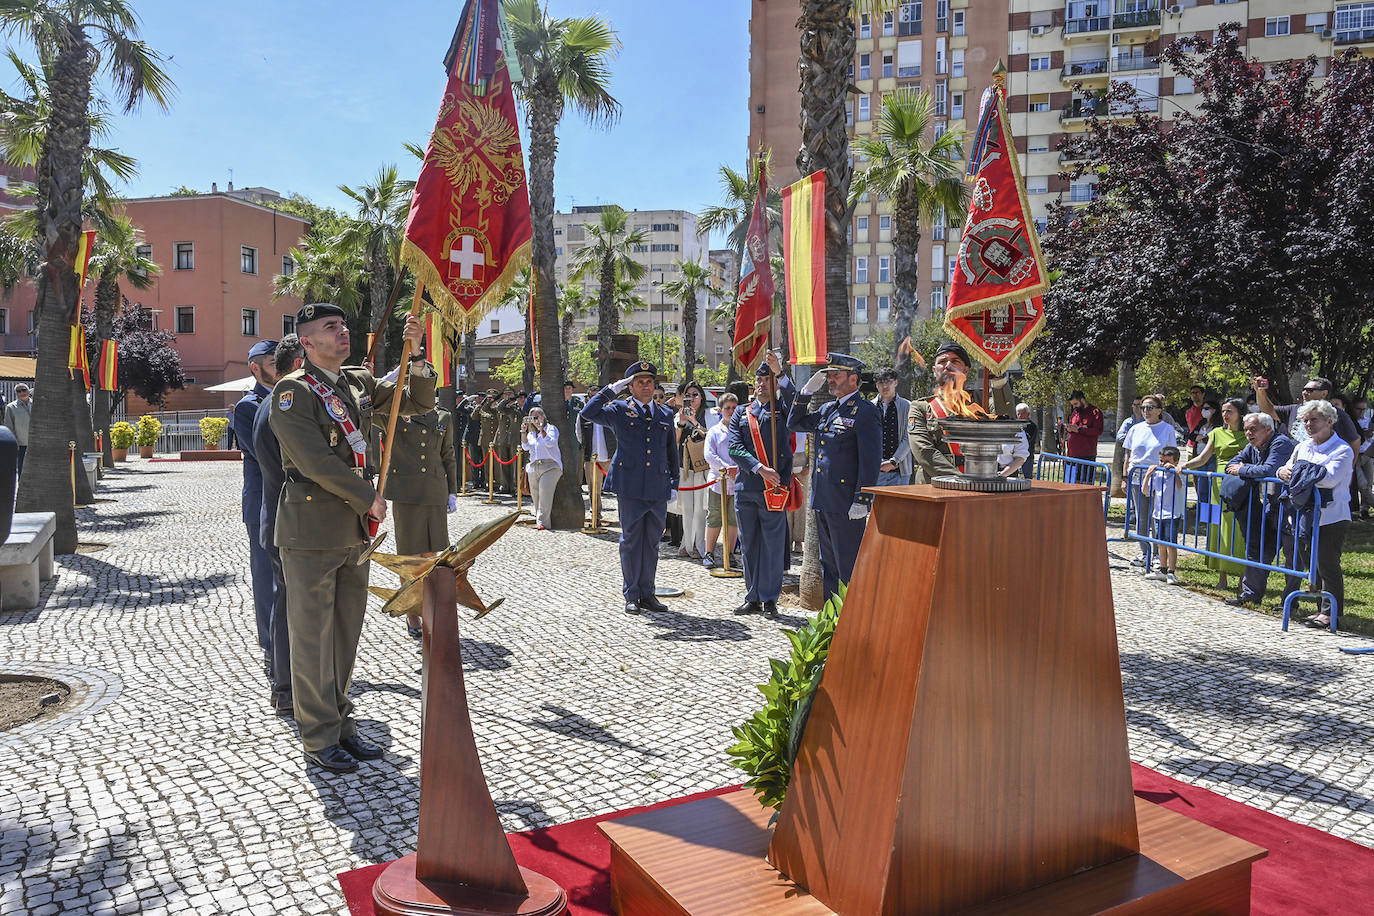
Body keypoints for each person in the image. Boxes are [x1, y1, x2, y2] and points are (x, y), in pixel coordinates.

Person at [270, 303, 435, 773]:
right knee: (311, 638)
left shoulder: (357, 383)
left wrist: (416, 354)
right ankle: (318, 736)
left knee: (344, 635)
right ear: (306, 342)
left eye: (343, 325)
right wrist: (368, 497)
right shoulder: (292, 392)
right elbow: (313, 462)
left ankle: (341, 723)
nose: (342, 332)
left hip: (353, 532)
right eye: (330, 328)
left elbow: (416, 399)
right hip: (311, 530)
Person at [581, 360, 679, 615]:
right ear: (631, 386)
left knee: (652, 542)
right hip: (631, 485)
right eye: (639, 382)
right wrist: (612, 389)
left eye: (649, 382)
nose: (646, 387)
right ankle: (632, 593)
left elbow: (671, 452)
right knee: (631, 541)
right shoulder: (620, 409)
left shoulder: (665, 414)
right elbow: (588, 412)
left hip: (657, 485)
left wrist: (674, 483)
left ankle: (648, 593)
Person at [789, 353, 882, 601]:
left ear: (853, 379)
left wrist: (862, 500)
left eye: (836, 375)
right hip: (823, 499)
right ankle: (832, 623)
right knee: (828, 566)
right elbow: (794, 423)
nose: (830, 379)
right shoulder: (828, 409)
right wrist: (805, 392)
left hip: (846, 503)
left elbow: (870, 461)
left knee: (848, 568)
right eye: (829, 374)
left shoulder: (865, 412)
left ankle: (849, 623)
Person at [252, 335, 305, 716]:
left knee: (287, 603)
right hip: (290, 521)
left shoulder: (272, 402)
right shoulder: (284, 406)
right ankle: (286, 687)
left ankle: (286, 683)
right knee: (291, 607)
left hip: (281, 519)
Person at [728, 352, 796, 618]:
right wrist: (759, 468)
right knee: (749, 543)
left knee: (772, 543)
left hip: (774, 490)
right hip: (748, 486)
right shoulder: (742, 414)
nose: (762, 384)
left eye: (767, 380)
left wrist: (780, 373)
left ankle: (770, 599)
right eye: (759, 380)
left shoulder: (783, 410)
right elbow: (734, 447)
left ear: (775, 383)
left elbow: (798, 402)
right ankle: (753, 596)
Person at [1277, 400, 1355, 630]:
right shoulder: (1303, 446)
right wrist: (1285, 472)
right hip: (1303, 516)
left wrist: (1299, 474)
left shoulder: (1342, 449)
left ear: (1329, 421)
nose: (1309, 424)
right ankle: (1320, 607)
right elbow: (1286, 468)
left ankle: (1331, 613)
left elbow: (1328, 479)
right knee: (1312, 563)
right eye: (1306, 420)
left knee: (1327, 564)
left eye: (1314, 420)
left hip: (1332, 516)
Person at [383, 402, 458, 638]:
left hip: (435, 490)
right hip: (406, 493)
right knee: (409, 557)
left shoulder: (443, 415)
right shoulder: (397, 410)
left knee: (432, 555)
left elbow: (448, 453)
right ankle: (411, 612)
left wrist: (452, 490)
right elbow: (372, 412)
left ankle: (430, 608)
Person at [233, 339, 280, 676]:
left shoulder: (291, 398)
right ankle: (270, 647)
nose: (280, 365)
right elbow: (269, 457)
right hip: (264, 503)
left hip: (292, 504)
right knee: (266, 578)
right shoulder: (248, 406)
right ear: (255, 367)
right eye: (272, 360)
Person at [906, 342, 1011, 483]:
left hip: (980, 480)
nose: (948, 365)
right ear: (934, 370)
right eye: (942, 362)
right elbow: (924, 452)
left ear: (966, 370)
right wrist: (960, 480)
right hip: (935, 484)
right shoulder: (921, 407)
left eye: (955, 361)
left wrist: (998, 379)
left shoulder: (980, 401)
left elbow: (1007, 419)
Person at [1223, 412, 1295, 609]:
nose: (1248, 433)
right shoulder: (1252, 446)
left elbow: (1270, 470)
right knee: (1257, 548)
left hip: (1286, 506)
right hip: (1265, 506)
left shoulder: (1281, 443)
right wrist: (1247, 468)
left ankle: (1290, 601)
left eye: (1253, 429)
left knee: (1291, 555)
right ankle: (1250, 594)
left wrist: (1245, 469)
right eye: (1246, 429)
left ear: (1268, 429)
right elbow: (1230, 466)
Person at [1180, 398, 1248, 589]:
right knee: (1218, 528)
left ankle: (1244, 577)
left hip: (1240, 484)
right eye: (1224, 411)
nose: (1225, 415)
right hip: (1218, 485)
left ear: (1240, 413)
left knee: (1238, 529)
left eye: (1230, 411)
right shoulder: (1217, 433)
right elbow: (1202, 458)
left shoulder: (1248, 433)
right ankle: (1222, 577)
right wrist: (1184, 466)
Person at [1123, 395, 1179, 568]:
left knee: (1157, 516)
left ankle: (1157, 554)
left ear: (1159, 410)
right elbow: (1129, 454)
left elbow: (1172, 454)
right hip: (1138, 476)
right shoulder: (1135, 428)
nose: (1146, 411)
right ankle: (1144, 551)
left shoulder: (1167, 429)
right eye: (1143, 408)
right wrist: (1125, 476)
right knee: (1141, 516)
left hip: (1158, 477)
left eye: (1150, 407)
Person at [1254, 375, 1361, 451]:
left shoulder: (1336, 414)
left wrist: (1349, 469)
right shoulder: (1294, 409)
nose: (1304, 393)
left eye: (1310, 390)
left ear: (1324, 394)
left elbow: (1355, 441)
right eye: (1304, 389)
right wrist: (1260, 391)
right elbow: (1268, 410)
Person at [703, 392, 741, 569]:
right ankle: (709, 552)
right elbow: (709, 454)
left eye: (734, 408)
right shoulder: (714, 431)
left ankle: (730, 552)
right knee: (715, 517)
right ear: (720, 410)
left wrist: (738, 469)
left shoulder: (741, 429)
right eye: (727, 408)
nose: (731, 411)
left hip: (737, 480)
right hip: (718, 480)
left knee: (733, 519)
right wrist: (726, 468)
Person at [675, 381, 711, 560]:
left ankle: (698, 545)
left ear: (702, 397)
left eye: (695, 394)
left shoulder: (709, 414)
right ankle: (686, 544)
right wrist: (682, 423)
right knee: (687, 508)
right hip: (685, 467)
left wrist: (695, 421)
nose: (692, 398)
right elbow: (674, 441)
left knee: (700, 509)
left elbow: (711, 437)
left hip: (703, 467)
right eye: (688, 395)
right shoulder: (679, 415)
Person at [1140, 446, 1186, 584]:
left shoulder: (1179, 474)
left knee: (1171, 544)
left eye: (1166, 461)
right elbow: (1145, 490)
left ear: (1175, 462)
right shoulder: (1158, 473)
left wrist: (1174, 471)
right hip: (1158, 513)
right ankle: (1163, 569)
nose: (1163, 464)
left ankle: (1172, 572)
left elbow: (1179, 486)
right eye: (1161, 461)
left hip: (1172, 514)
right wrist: (1148, 475)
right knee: (1160, 543)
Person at [521, 406, 562, 529]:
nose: (535, 420)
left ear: (543, 417)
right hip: (534, 466)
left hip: (551, 466)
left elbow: (550, 443)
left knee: (545, 493)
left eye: (537, 416)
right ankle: (540, 520)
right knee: (536, 495)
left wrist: (541, 429)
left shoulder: (551, 429)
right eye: (532, 417)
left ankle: (543, 523)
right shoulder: (531, 434)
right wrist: (523, 431)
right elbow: (525, 447)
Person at [871, 367, 911, 486]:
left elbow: (909, 436)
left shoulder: (908, 406)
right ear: (876, 385)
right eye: (881, 382)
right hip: (875, 470)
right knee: (875, 505)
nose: (885, 386)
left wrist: (894, 461)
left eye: (888, 381)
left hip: (901, 471)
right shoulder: (869, 407)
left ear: (896, 382)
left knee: (899, 505)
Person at [1064, 390, 1104, 481]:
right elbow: (1073, 428)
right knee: (1071, 483)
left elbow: (1098, 431)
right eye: (1072, 405)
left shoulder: (1095, 412)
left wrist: (1079, 430)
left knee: (1085, 484)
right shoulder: (1075, 413)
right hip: (1072, 455)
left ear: (1082, 400)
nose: (1074, 406)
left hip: (1086, 455)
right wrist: (1069, 429)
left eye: (1076, 404)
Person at [3, 384, 32, 476]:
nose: (22, 393)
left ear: (28, 391)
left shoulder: (37, 405)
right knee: (22, 470)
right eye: (18, 391)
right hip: (22, 445)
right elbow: (9, 427)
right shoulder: (11, 407)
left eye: (23, 390)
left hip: (37, 444)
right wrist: (15, 444)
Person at [1016, 403, 1039, 479]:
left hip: (1027, 457)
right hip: (1015, 456)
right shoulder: (1015, 424)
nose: (1020, 416)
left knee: (1028, 479)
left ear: (1028, 414)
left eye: (1022, 413)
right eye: (1018, 414)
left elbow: (1028, 439)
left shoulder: (1032, 426)